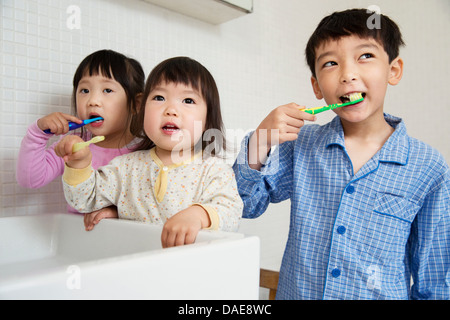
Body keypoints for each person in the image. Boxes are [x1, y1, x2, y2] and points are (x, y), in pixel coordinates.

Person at [233, 9, 449, 299]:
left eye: (365, 56)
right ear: (317, 86)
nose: (348, 74)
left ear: (393, 70)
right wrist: (260, 140)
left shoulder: (428, 167)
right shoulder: (301, 145)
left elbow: (434, 282)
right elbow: (245, 205)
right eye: (331, 63)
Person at [56, 57, 242, 247]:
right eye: (159, 98)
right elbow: (83, 200)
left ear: (207, 119)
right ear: (143, 108)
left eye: (188, 100)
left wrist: (199, 215)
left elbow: (231, 213)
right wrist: (78, 165)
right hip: (135, 268)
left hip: (189, 271)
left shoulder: (214, 170)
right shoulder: (125, 167)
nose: (171, 109)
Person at [16, 49, 145, 217]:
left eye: (107, 90)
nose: (92, 101)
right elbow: (30, 180)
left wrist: (116, 211)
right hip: (78, 237)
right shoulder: (72, 145)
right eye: (84, 90)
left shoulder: (147, 151)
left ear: (136, 104)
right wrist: (37, 134)